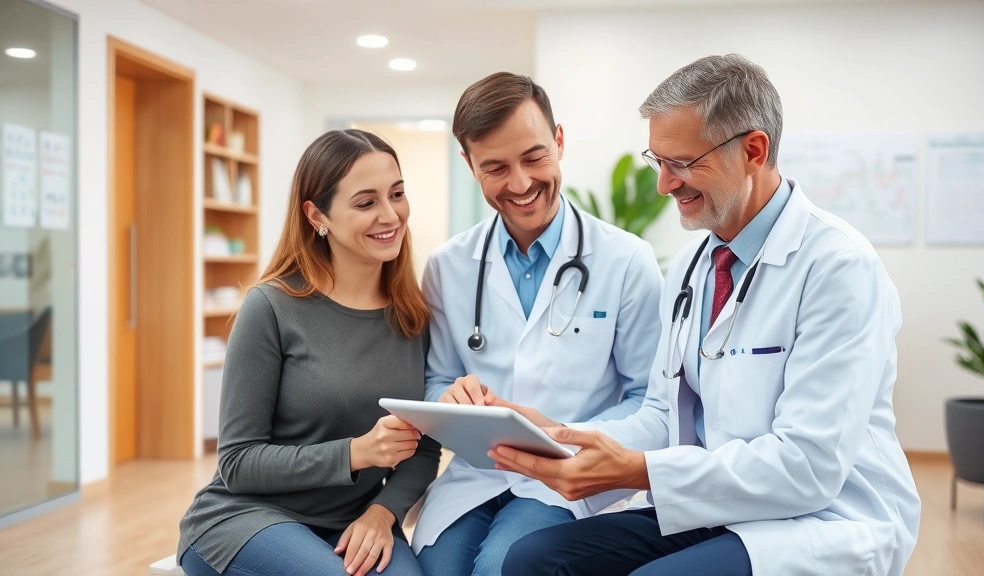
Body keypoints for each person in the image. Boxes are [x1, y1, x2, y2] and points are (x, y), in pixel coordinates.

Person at [493, 54, 921, 576]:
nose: (664, 185)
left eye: (681, 163)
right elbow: (660, 414)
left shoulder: (838, 268)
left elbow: (809, 467)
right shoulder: (692, 267)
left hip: (822, 517)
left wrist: (638, 471)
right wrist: (565, 436)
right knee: (534, 559)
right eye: (658, 161)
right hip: (719, 505)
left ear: (754, 150)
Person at [412, 72, 665, 576]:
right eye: (496, 168)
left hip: (570, 476)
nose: (521, 184)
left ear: (560, 142)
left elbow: (651, 400)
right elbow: (437, 378)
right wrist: (449, 399)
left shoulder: (626, 260)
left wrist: (562, 434)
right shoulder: (448, 265)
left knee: (501, 569)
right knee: (434, 570)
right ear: (469, 165)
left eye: (534, 157)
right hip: (477, 473)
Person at [177, 130, 441, 576]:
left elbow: (423, 449)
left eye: (397, 194)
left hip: (354, 520)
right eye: (365, 202)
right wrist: (357, 453)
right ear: (317, 214)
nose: (390, 214)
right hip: (250, 518)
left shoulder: (413, 314)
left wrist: (384, 512)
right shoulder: (271, 307)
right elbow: (238, 462)